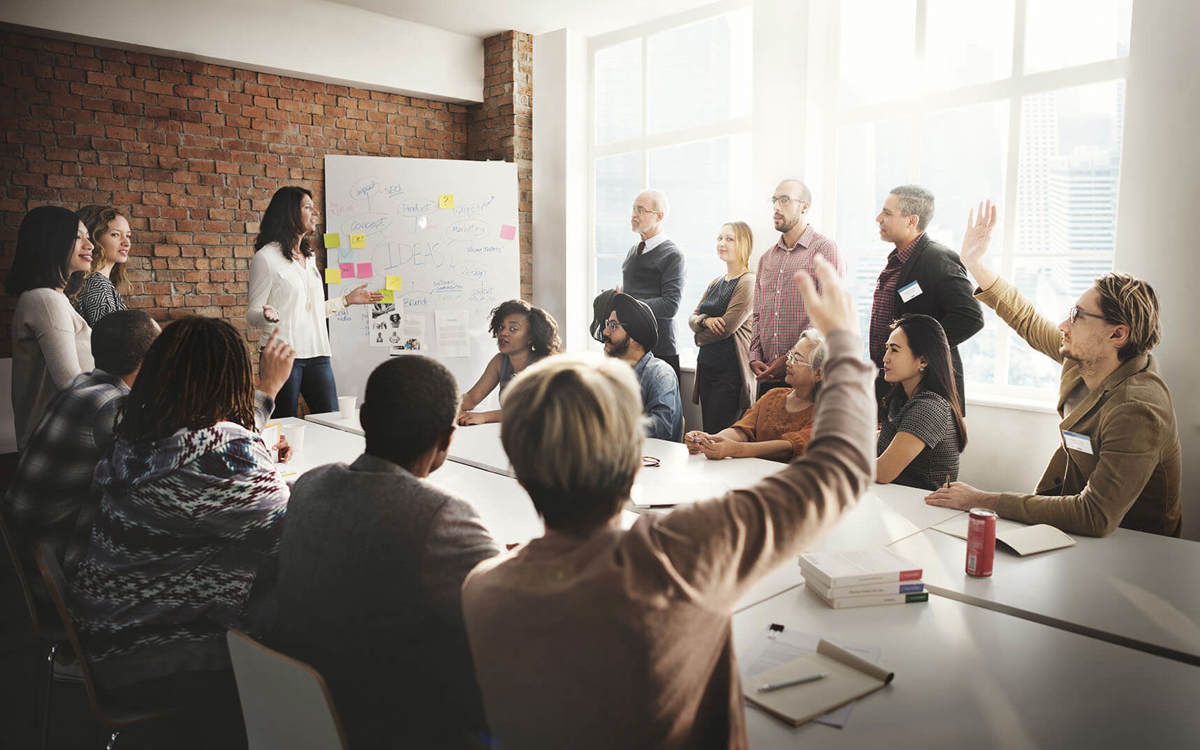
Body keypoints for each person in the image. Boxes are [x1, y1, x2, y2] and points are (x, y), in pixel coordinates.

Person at [462, 255, 874, 750]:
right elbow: (841, 470)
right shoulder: (682, 554)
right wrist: (846, 347)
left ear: (521, 477)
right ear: (636, 463)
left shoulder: (483, 592)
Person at [70, 317, 295, 746]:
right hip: (153, 654)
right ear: (228, 378)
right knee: (306, 600)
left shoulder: (138, 435)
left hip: (107, 633)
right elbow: (296, 536)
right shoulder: (222, 451)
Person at [267, 356, 500, 748]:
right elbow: (515, 604)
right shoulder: (442, 517)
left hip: (302, 717)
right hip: (396, 727)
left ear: (363, 419)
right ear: (447, 438)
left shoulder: (307, 486)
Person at [926, 202, 1182, 537]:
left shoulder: (1138, 407)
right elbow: (1027, 319)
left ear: (1117, 334)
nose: (1064, 324)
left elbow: (1095, 515)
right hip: (1076, 532)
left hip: (1136, 547)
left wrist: (982, 499)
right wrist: (974, 263)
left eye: (1077, 315)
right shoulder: (1082, 359)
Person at [3, 310, 160, 592]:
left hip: (29, 553)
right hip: (62, 577)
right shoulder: (112, 406)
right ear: (145, 360)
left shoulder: (82, 385)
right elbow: (163, 469)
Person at [247, 185, 382, 417]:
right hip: (283, 355)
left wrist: (347, 300)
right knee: (284, 425)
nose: (315, 213)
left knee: (332, 419)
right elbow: (252, 314)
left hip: (318, 354)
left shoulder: (309, 257)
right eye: (308, 207)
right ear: (289, 213)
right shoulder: (266, 258)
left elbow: (312, 311)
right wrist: (265, 314)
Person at [869, 185, 983, 411]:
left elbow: (970, 317)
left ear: (911, 221)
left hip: (926, 388)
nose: (878, 218)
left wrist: (919, 352)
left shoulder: (938, 259)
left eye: (887, 213)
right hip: (890, 385)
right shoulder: (897, 261)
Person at [6, 205, 96, 450]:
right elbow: (72, 385)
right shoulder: (46, 300)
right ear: (52, 242)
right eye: (78, 237)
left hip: (65, 441)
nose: (90, 245)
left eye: (88, 237)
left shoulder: (53, 299)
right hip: (58, 449)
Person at [750, 179, 844, 399]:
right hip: (766, 377)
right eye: (774, 200)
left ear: (805, 206)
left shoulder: (825, 249)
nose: (776, 207)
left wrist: (790, 358)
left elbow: (827, 314)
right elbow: (757, 315)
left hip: (806, 377)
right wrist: (755, 356)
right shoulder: (766, 258)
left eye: (784, 200)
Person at [685, 330, 826, 462]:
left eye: (797, 359)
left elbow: (788, 448)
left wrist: (734, 449)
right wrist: (709, 440)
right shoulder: (773, 396)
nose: (788, 363)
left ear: (819, 373)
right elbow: (743, 431)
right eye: (790, 356)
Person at [875, 314, 967, 490]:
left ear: (923, 360)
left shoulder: (930, 407)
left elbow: (883, 471)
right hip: (893, 502)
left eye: (894, 350)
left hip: (923, 511)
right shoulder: (900, 399)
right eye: (887, 349)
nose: (885, 358)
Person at [688, 221, 756, 433]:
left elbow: (727, 328)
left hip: (730, 374)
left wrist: (698, 336)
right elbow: (692, 317)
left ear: (744, 244)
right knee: (708, 432)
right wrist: (704, 321)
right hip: (707, 368)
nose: (722, 243)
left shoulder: (748, 282)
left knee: (720, 436)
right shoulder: (716, 282)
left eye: (729, 239)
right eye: (719, 238)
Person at [458, 299, 561, 426]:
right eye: (501, 327)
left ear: (530, 337)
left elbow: (530, 410)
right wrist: (445, 407)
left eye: (513, 329)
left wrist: (484, 417)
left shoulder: (543, 364)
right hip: (513, 434)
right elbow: (471, 398)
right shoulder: (500, 361)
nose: (503, 333)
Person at [598, 291, 683, 441]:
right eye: (607, 324)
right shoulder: (612, 372)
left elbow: (662, 429)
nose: (605, 331)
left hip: (655, 461)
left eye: (613, 326)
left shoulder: (661, 375)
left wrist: (608, 426)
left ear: (634, 337)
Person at [622, 189, 685, 382]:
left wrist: (629, 304)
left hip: (660, 349)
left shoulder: (673, 255)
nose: (634, 214)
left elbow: (670, 305)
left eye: (641, 210)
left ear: (659, 216)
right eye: (633, 208)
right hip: (630, 346)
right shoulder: (633, 251)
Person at [67, 204, 132, 326]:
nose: (126, 242)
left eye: (128, 235)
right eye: (115, 234)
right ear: (94, 238)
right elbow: (109, 341)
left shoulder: (97, 282)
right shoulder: (97, 284)